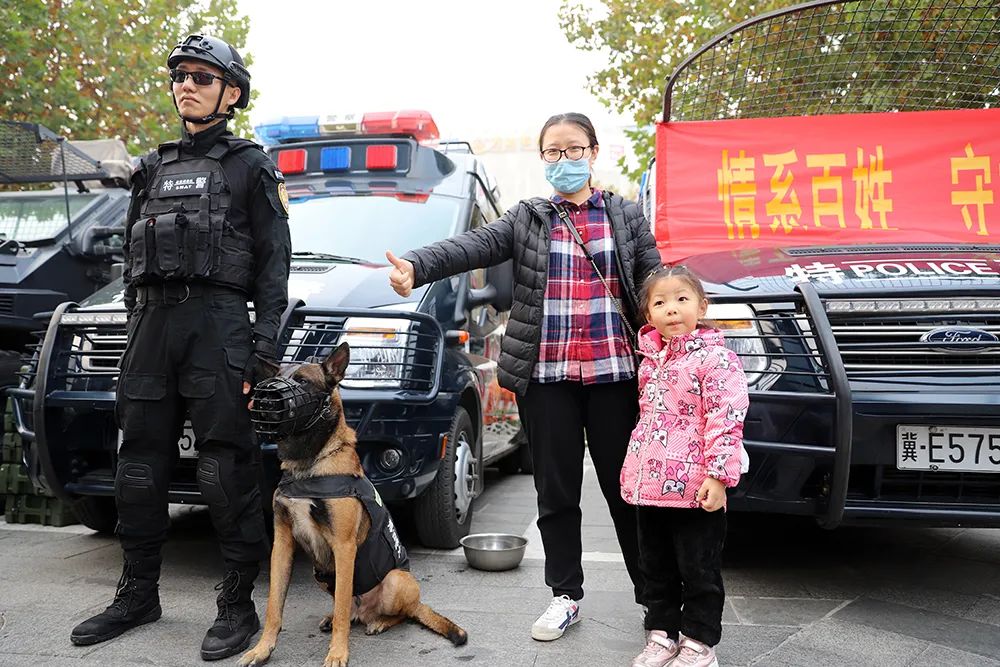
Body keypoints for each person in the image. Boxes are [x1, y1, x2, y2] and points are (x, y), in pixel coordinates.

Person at [385, 112, 662, 641]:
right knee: (556, 494)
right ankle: (566, 596)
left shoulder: (626, 217)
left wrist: (684, 310)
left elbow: (654, 279)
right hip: (549, 378)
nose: (564, 160)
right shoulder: (528, 218)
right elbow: (470, 246)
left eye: (573, 149)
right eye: (553, 153)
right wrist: (416, 265)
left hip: (616, 377)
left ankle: (655, 602)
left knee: (629, 491)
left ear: (593, 152)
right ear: (544, 159)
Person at [70, 34, 291, 661]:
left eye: (200, 76)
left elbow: (275, 269)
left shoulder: (251, 166)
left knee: (225, 468)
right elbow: (133, 263)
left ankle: (236, 605)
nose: (185, 85)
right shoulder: (150, 168)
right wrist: (139, 328)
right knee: (137, 464)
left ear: (231, 92)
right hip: (151, 329)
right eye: (179, 76)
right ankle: (137, 595)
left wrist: (264, 352)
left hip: (217, 326)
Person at [621, 266, 749, 667]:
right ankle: (661, 635)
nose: (671, 309)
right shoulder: (649, 362)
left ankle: (698, 642)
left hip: (696, 489)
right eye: (660, 302)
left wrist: (719, 476)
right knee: (654, 567)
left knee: (699, 569)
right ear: (648, 315)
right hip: (652, 487)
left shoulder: (716, 359)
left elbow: (726, 418)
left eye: (681, 299)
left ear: (702, 306)